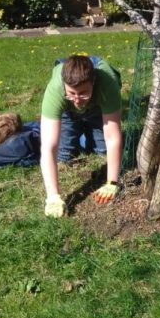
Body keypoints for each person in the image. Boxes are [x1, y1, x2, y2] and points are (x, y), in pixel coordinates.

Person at [40, 54, 123, 217]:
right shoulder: (56, 90)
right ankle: (79, 126)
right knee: (63, 155)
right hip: (67, 112)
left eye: (83, 93)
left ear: (93, 83)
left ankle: (88, 127)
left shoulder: (107, 85)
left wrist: (112, 182)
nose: (77, 99)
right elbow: (49, 147)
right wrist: (52, 196)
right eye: (72, 93)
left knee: (103, 151)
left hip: (97, 106)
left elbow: (113, 138)